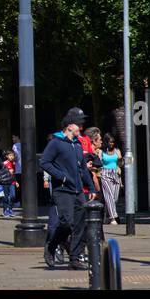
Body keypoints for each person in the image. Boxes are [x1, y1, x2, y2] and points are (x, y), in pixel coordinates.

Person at [40, 109, 89, 271]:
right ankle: (51, 246)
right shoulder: (56, 142)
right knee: (66, 223)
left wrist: (91, 186)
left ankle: (74, 258)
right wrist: (61, 176)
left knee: (80, 225)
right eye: (79, 124)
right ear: (70, 126)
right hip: (62, 190)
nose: (81, 127)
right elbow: (44, 162)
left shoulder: (77, 144)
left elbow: (83, 168)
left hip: (78, 190)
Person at [99, 134, 123, 225]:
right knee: (109, 196)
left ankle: (107, 215)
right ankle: (113, 217)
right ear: (106, 142)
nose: (111, 144)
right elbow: (99, 163)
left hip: (116, 174)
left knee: (115, 198)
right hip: (105, 174)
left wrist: (120, 160)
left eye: (113, 142)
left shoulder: (117, 151)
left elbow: (120, 164)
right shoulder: (102, 152)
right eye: (110, 142)